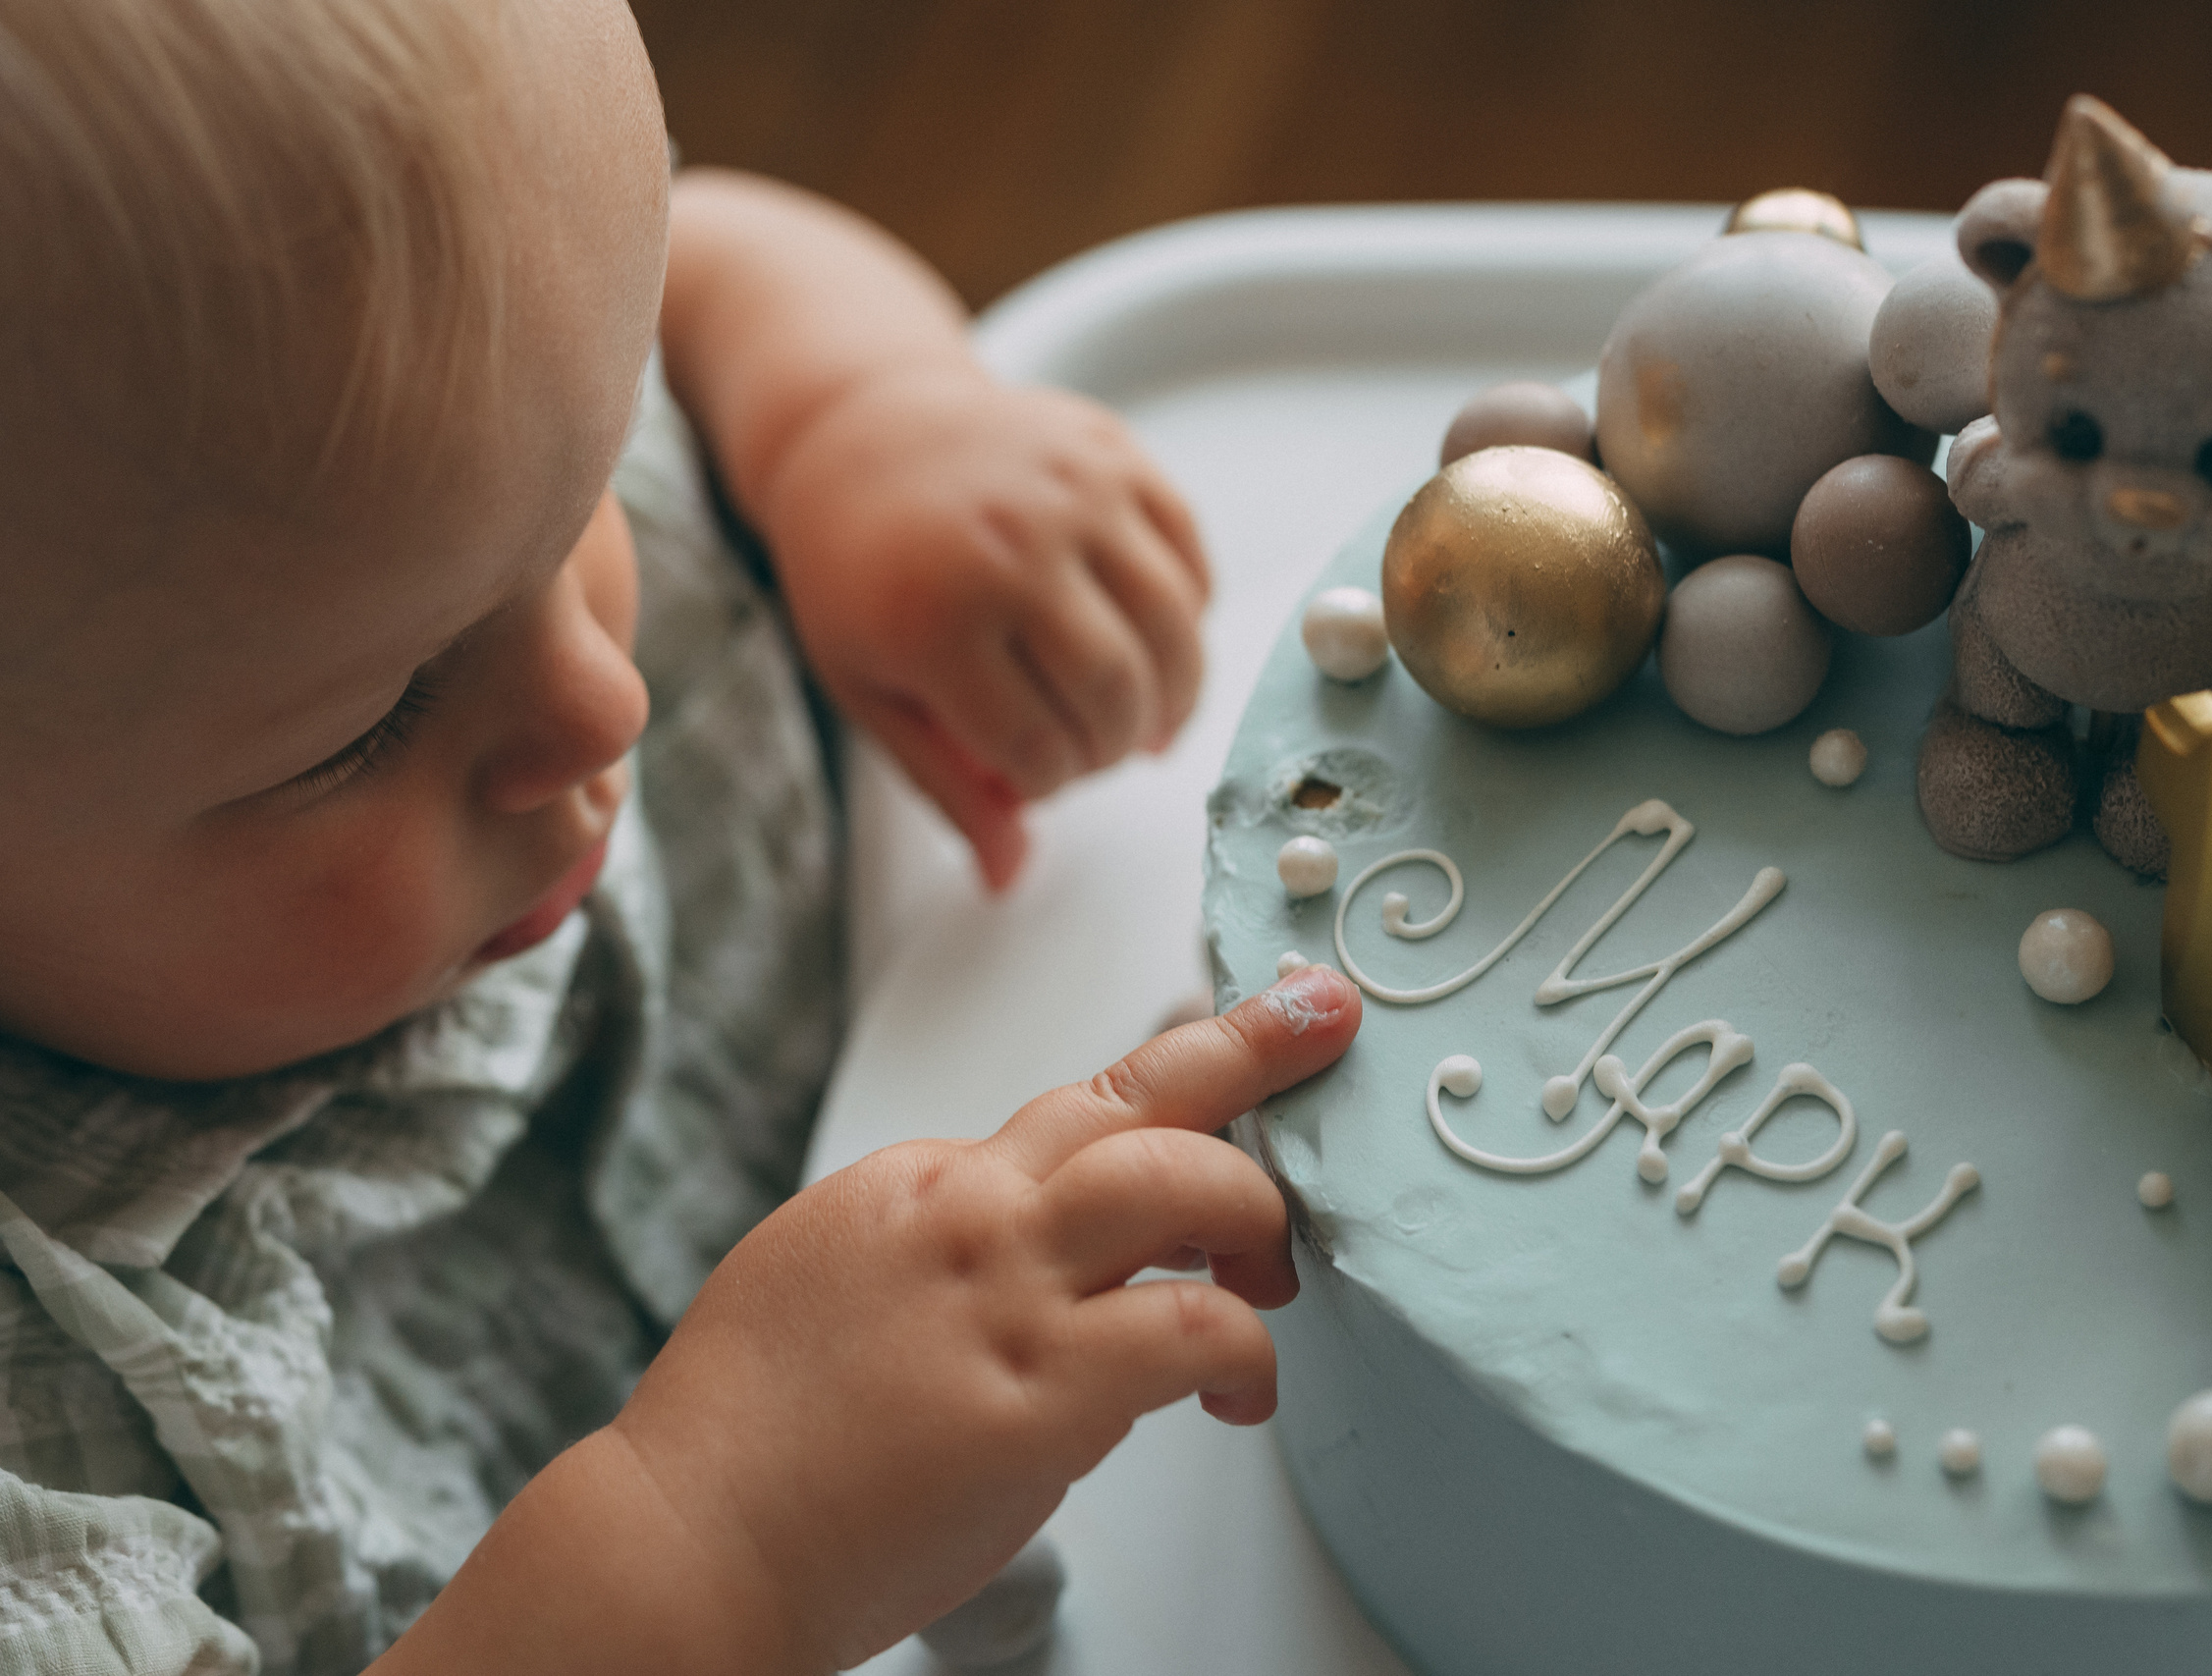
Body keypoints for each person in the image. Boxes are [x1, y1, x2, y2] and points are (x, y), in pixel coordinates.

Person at [0, 1, 1362, 1670]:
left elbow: (708, 252)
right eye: (366, 726)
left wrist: (851, 414)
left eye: (585, 496)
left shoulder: (414, 457)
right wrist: (724, 1536)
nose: (600, 704)